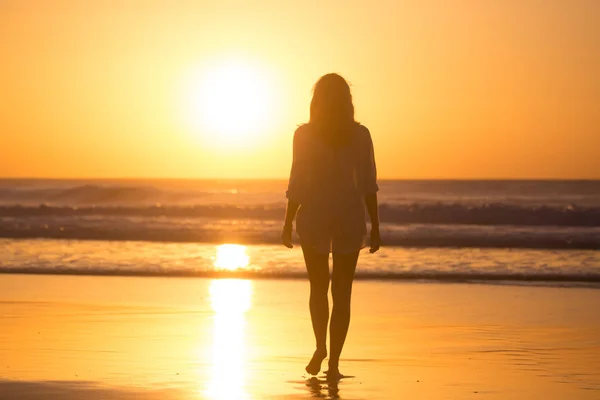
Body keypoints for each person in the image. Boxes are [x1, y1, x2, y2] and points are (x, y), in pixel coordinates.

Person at [281, 73, 381, 379]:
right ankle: (334, 362)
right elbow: (368, 185)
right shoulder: (360, 135)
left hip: (314, 216)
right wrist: (375, 225)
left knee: (318, 288)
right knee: (342, 293)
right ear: (346, 102)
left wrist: (287, 224)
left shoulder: (305, 136)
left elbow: (297, 183)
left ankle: (320, 347)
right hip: (349, 217)